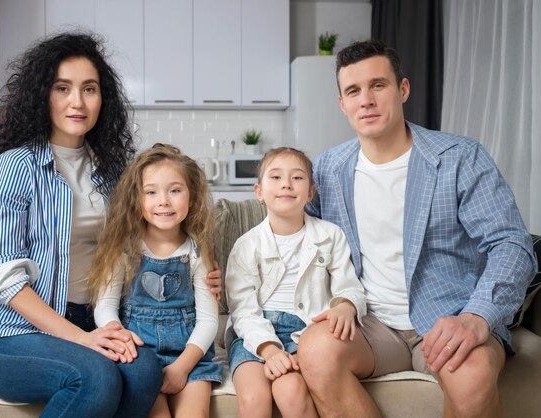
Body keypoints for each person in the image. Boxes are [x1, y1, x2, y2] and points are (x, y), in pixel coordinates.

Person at [0, 32, 221, 418]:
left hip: (96, 316)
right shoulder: (17, 166)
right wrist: (83, 339)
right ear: (42, 95)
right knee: (97, 376)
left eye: (89, 88)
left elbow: (155, 232)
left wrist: (201, 271)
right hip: (13, 332)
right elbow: (4, 277)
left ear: (104, 98)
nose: (77, 102)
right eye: (62, 88)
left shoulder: (116, 172)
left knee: (144, 371)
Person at [296, 39, 538, 418]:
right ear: (343, 104)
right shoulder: (328, 168)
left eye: (378, 85)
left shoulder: (460, 157)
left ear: (402, 89)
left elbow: (511, 244)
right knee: (315, 350)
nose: (367, 100)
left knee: (472, 376)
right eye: (353, 91)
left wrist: (477, 316)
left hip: (449, 315)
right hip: (368, 323)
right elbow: (293, 231)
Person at [224, 147, 367, 418]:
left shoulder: (330, 235)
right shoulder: (246, 246)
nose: (286, 184)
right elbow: (243, 311)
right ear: (259, 192)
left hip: (304, 333)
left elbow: (348, 286)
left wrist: (347, 305)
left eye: (297, 178)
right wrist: (269, 349)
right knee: (254, 399)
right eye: (276, 177)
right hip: (252, 335)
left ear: (311, 192)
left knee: (291, 393)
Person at [88, 143, 223, 418]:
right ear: (135, 200)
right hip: (139, 355)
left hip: (190, 356)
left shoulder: (198, 251)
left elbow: (209, 320)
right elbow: (105, 306)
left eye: (175, 190)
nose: (164, 201)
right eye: (151, 192)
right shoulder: (124, 248)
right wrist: (118, 333)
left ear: (192, 197)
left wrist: (183, 367)